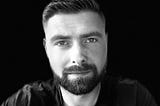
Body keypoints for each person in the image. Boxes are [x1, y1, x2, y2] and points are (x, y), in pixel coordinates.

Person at [1, 0, 157, 106]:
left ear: (107, 42)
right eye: (62, 43)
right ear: (46, 49)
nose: (78, 57)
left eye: (90, 40)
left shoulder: (134, 98)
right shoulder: (26, 102)